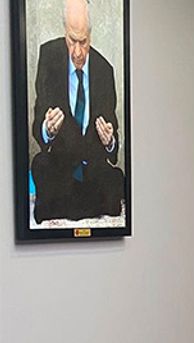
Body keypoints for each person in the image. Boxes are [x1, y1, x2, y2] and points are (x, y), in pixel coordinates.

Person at [29, 0, 125, 222]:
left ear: (90, 36)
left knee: (115, 178)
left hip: (92, 169)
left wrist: (109, 141)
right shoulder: (48, 57)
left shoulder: (104, 70)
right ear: (65, 32)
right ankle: (84, 204)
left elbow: (113, 147)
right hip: (61, 167)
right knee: (40, 165)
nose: (78, 52)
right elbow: (38, 129)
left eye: (83, 42)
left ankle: (65, 205)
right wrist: (48, 130)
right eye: (72, 41)